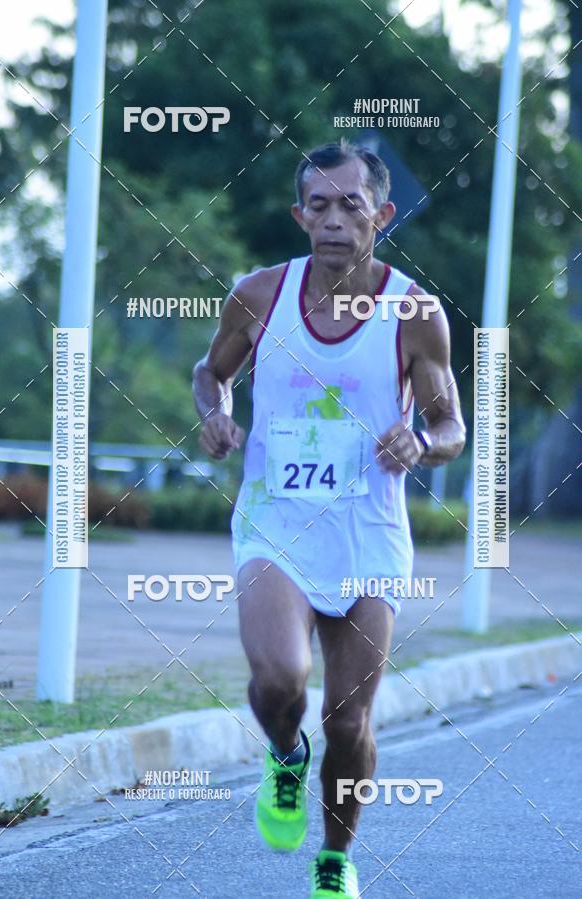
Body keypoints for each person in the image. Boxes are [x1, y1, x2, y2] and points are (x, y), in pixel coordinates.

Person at [192, 139, 466, 898]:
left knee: (348, 722)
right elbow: (210, 372)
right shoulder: (259, 295)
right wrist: (214, 413)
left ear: (383, 214)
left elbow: (450, 424)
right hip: (276, 522)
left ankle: (336, 859)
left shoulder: (415, 312)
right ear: (299, 215)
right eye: (319, 205)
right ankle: (285, 752)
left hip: (367, 533)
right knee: (280, 678)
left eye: (352, 204)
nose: (335, 219)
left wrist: (423, 442)